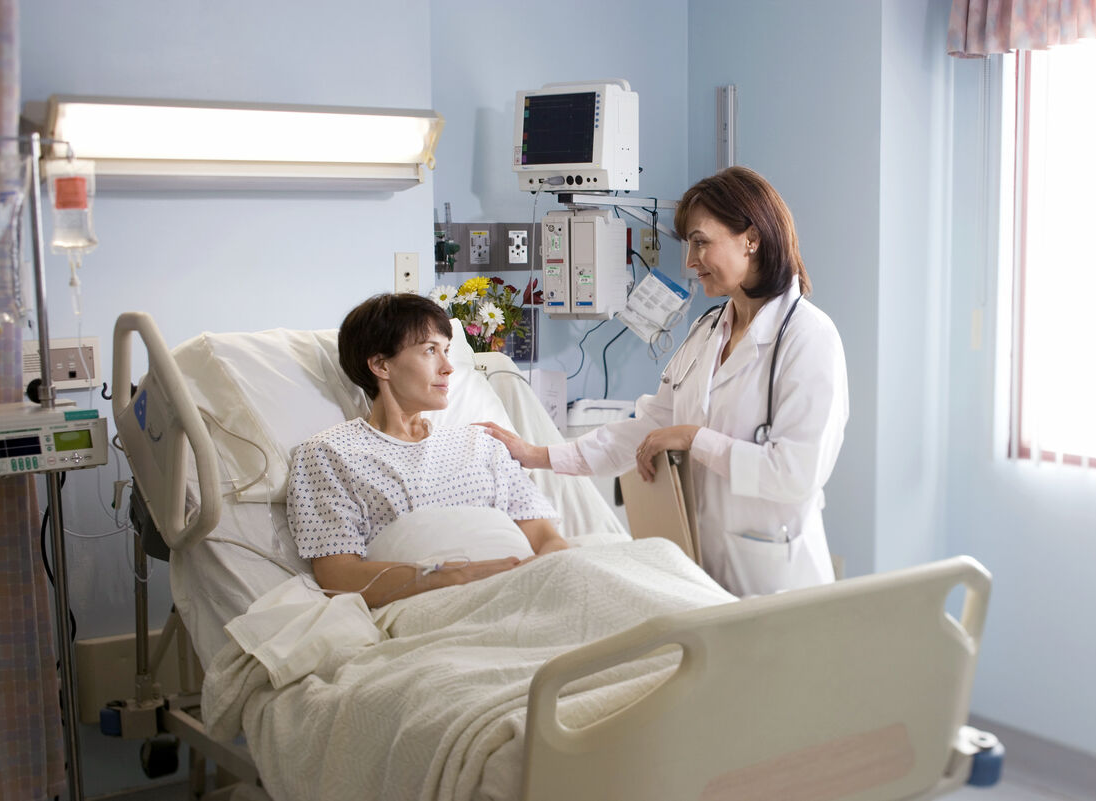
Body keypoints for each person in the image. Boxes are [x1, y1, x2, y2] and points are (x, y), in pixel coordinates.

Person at [480, 166, 848, 596]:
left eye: (700, 242)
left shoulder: (809, 337)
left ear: (752, 239)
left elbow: (796, 474)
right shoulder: (707, 333)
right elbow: (646, 429)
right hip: (701, 576)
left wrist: (695, 438)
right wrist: (537, 455)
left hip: (777, 582)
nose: (690, 262)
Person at [286, 293, 568, 607]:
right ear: (381, 365)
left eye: (447, 350)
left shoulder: (482, 443)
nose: (448, 368)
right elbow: (338, 577)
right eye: (430, 350)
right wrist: (464, 576)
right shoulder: (330, 454)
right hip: (439, 606)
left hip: (536, 588)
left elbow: (548, 540)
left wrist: (537, 575)